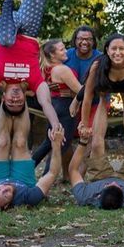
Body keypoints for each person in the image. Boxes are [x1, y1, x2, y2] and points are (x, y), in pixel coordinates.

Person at [0, 0, 62, 132]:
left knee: (7, 39)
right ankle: (23, 2)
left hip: (5, 26)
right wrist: (56, 125)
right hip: (29, 29)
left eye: (11, 102)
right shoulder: (34, 79)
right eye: (19, 102)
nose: (15, 98)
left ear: (3, 98)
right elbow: (46, 103)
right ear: (24, 98)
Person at [0, 90, 64, 210]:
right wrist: (56, 146)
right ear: (7, 205)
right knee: (20, 142)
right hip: (22, 179)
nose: (4, 188)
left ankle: (8, 93)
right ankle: (21, 95)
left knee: (2, 142)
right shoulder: (28, 197)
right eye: (5, 195)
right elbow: (52, 173)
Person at [77, 34, 124, 140]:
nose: (117, 52)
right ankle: (97, 148)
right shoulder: (98, 65)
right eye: (114, 48)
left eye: (122, 48)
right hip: (104, 89)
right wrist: (84, 125)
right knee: (102, 100)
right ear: (107, 50)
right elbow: (87, 96)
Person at [31, 39, 83, 177]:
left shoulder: (45, 69)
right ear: (53, 55)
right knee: (60, 146)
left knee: (48, 143)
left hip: (53, 107)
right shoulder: (62, 69)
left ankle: (24, 172)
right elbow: (81, 91)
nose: (66, 51)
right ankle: (45, 180)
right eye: (62, 49)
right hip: (65, 108)